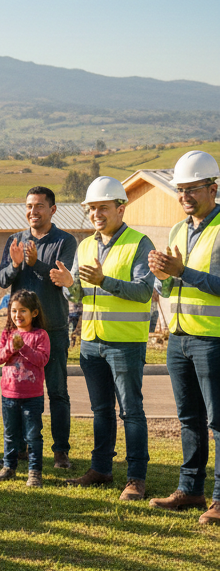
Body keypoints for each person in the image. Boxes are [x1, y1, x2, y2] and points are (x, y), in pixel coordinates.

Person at [50, 176, 154, 500]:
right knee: (101, 411)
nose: (96, 213)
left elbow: (144, 290)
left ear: (121, 209)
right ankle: (101, 470)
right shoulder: (85, 245)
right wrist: (70, 284)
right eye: (92, 208)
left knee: (131, 412)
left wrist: (104, 280)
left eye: (103, 207)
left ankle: (136, 478)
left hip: (125, 342)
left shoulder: (140, 243)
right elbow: (81, 295)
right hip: (91, 342)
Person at [147, 150, 220, 524]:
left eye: (193, 189)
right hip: (179, 337)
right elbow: (172, 282)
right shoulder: (178, 229)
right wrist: (161, 273)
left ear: (213, 188)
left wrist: (183, 272)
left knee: (218, 421)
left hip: (212, 339)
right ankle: (191, 490)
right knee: (189, 418)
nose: (185, 196)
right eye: (181, 190)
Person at [0, 186, 78, 469]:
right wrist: (17, 265)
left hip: (52, 329)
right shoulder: (15, 240)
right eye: (29, 206)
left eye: (39, 206)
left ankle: (60, 452)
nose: (33, 212)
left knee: (57, 392)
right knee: (17, 392)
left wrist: (36, 264)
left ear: (52, 210)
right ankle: (19, 449)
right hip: (18, 334)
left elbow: (62, 277)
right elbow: (3, 279)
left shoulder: (66, 241)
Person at [0, 290, 51, 487]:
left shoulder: (40, 335)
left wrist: (23, 348)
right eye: (14, 311)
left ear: (34, 313)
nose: (17, 315)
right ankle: (9, 466)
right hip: (9, 395)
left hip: (32, 396)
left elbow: (42, 360)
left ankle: (34, 472)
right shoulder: (7, 334)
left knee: (33, 435)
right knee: (10, 434)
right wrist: (10, 347)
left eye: (23, 311)